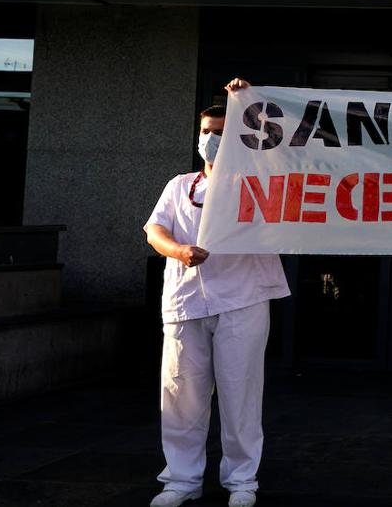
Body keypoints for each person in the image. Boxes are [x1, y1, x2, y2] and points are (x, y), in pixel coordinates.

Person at [143, 79, 291, 507]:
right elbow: (154, 230)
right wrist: (179, 251)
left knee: (240, 394)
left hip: (243, 298)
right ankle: (181, 481)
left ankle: (242, 481)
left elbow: (285, 145)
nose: (209, 140)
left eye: (220, 133)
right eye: (205, 131)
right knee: (180, 395)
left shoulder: (261, 182)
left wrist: (249, 100)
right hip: (186, 301)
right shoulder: (179, 185)